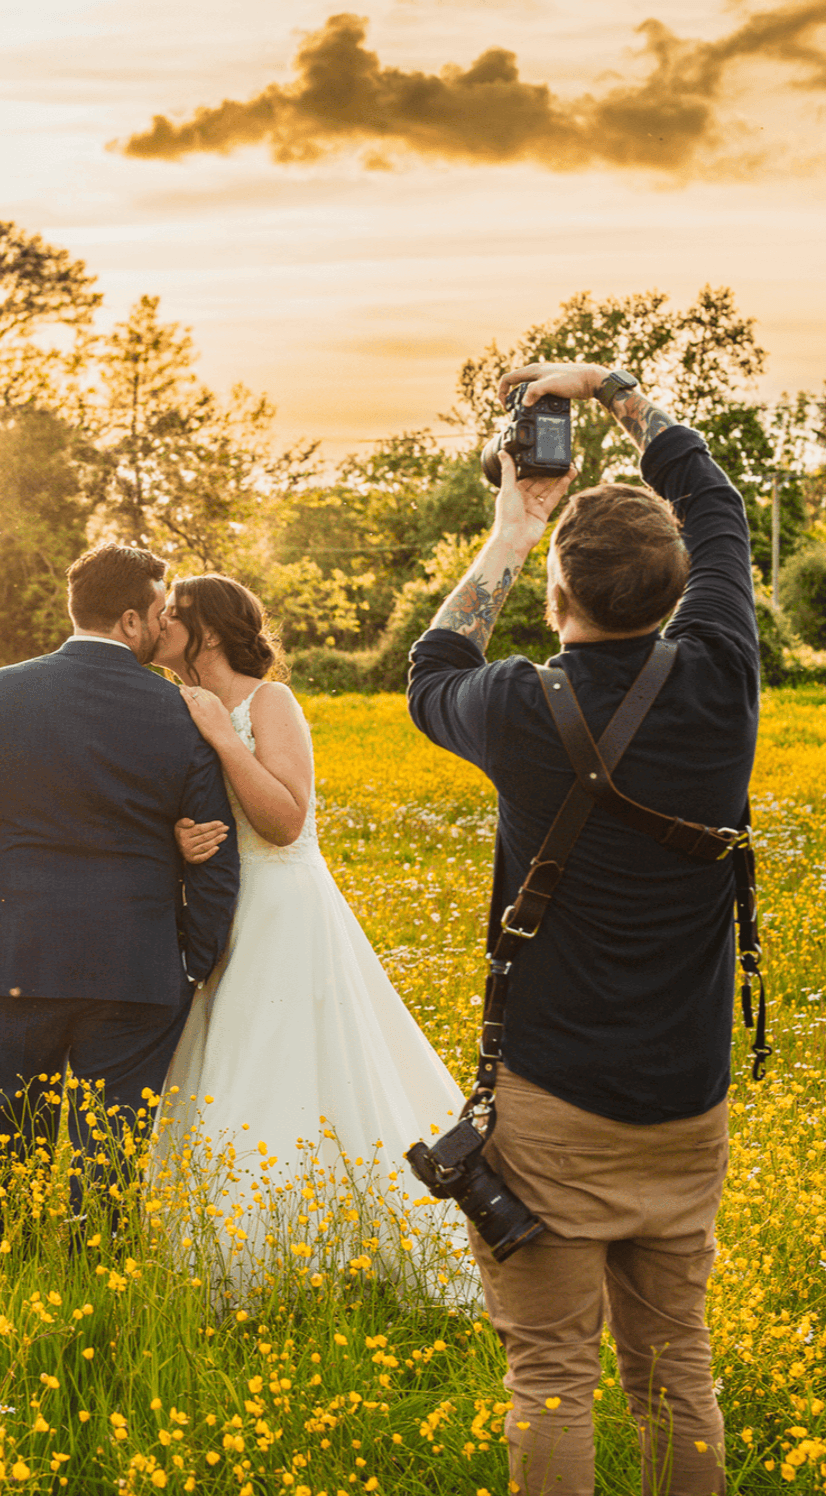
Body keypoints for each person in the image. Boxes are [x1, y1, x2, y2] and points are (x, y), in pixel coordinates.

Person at [407, 362, 760, 1496]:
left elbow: (431, 667)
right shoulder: (722, 678)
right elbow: (716, 503)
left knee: (553, 1375)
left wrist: (512, 526)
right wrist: (615, 387)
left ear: (559, 587)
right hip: (687, 1101)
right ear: (679, 585)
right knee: (676, 1366)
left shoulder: (517, 704)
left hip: (553, 1102)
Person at [151, 574, 468, 1284]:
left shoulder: (268, 702)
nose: (159, 620)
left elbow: (287, 819)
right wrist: (179, 837)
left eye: (173, 611)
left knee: (283, 1063)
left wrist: (220, 735)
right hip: (214, 910)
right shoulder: (171, 702)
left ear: (209, 629)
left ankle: (313, 1250)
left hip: (281, 906)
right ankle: (222, 1247)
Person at [0, 543, 240, 1218]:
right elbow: (216, 854)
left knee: (8, 1151)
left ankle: (16, 1267)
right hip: (137, 964)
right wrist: (193, 959)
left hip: (16, 958)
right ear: (131, 621)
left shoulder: (4, 693)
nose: (165, 625)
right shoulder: (183, 711)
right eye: (160, 612)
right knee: (108, 1162)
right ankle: (96, 1267)